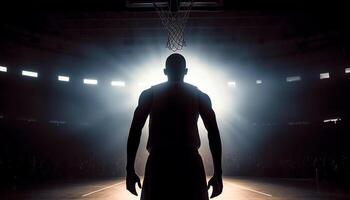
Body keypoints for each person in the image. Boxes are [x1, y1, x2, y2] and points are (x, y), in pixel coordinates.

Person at [126, 53, 223, 200]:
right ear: (186, 71)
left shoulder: (150, 94)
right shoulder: (200, 96)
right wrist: (218, 173)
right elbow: (213, 133)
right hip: (189, 161)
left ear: (165, 71)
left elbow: (135, 131)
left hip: (159, 161)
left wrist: (129, 170)